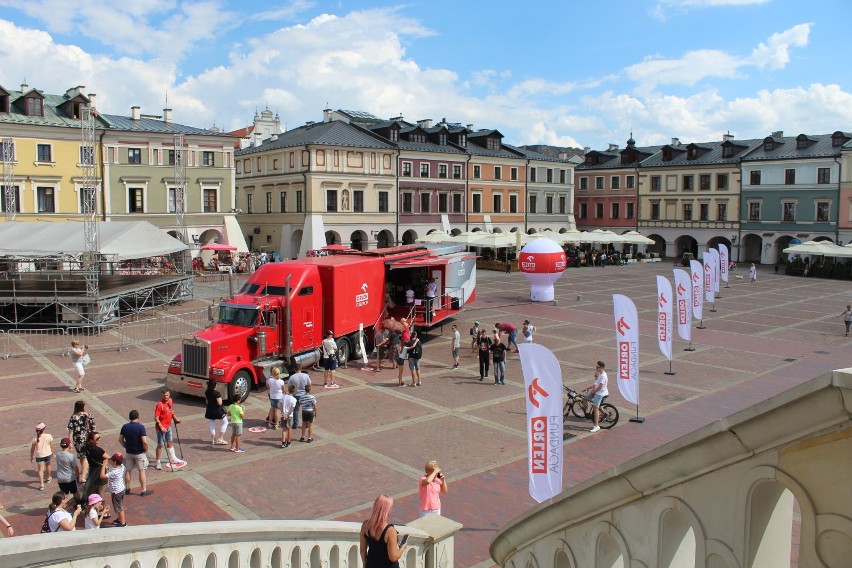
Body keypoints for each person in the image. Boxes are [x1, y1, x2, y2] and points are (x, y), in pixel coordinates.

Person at [359, 494, 407, 568]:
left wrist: (365, 564)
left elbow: (362, 550)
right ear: (386, 510)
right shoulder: (390, 531)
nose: (391, 510)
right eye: (390, 507)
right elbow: (393, 557)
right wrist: (402, 548)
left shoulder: (365, 526)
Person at [118, 410, 152, 496]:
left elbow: (120, 439)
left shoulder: (125, 427)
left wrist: (125, 446)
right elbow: (144, 441)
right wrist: (146, 448)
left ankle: (127, 488)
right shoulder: (141, 427)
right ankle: (143, 490)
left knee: (128, 470)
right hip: (139, 452)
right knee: (141, 470)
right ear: (138, 417)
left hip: (129, 452)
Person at [154, 388, 186, 470]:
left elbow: (171, 411)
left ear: (169, 395)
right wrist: (161, 427)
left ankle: (173, 458)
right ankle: (158, 462)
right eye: (164, 395)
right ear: (162, 395)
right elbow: (156, 418)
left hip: (168, 427)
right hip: (161, 429)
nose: (166, 397)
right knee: (160, 445)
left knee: (170, 442)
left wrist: (175, 419)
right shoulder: (159, 405)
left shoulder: (170, 401)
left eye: (167, 395)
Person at [67, 400, 96, 484]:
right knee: (84, 457)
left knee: (82, 456)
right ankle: (83, 475)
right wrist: (94, 438)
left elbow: (70, 431)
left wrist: (70, 442)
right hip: (87, 439)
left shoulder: (73, 417)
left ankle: (83, 473)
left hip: (77, 440)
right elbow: (94, 427)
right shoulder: (89, 415)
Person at [583, 361, 609, 433]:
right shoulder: (600, 374)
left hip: (600, 394)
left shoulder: (603, 376)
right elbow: (596, 384)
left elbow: (600, 387)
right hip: (597, 392)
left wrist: (593, 391)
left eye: (597, 367)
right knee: (584, 397)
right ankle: (585, 411)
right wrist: (588, 388)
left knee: (595, 409)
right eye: (596, 367)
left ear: (601, 368)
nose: (596, 368)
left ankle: (596, 426)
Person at [102, 453, 127, 527]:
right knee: (120, 505)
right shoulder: (122, 467)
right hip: (121, 489)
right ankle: (119, 519)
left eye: (112, 461)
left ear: (115, 462)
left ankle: (123, 523)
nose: (111, 462)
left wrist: (104, 465)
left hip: (116, 492)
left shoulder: (114, 472)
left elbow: (102, 476)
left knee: (119, 508)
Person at [55, 438, 81, 505]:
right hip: (69, 478)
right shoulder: (70, 456)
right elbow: (76, 468)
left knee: (64, 494)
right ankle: (79, 504)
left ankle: (63, 506)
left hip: (60, 478)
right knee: (75, 492)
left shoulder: (58, 454)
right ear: (69, 445)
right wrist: (78, 477)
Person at [83, 431, 107, 501]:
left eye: (99, 437)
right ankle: (101, 508)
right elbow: (108, 457)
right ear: (91, 440)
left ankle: (91, 504)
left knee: (92, 489)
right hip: (101, 470)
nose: (99, 439)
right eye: (97, 438)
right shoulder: (98, 450)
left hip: (92, 471)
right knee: (101, 491)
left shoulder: (87, 448)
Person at [30, 422, 54, 491]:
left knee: (40, 470)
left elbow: (32, 449)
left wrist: (31, 457)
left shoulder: (35, 439)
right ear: (44, 429)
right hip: (48, 454)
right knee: (48, 466)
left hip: (39, 456)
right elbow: (52, 446)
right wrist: (53, 453)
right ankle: (48, 478)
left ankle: (41, 484)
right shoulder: (49, 436)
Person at [204, 380, 228, 445]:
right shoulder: (216, 393)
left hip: (209, 410)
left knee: (212, 424)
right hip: (217, 410)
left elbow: (207, 402)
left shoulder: (207, 392)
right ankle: (221, 438)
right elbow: (220, 403)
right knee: (225, 422)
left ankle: (213, 440)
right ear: (214, 385)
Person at [288, 363, 311, 431]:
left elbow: (289, 387)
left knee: (296, 410)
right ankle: (306, 424)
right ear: (301, 368)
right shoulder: (306, 376)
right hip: (304, 395)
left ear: (295, 369)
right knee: (305, 409)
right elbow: (309, 384)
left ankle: (295, 424)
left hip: (296, 395)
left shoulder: (292, 377)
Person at [280, 384, 297, 448]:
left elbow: (280, 405)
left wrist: (283, 413)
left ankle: (283, 443)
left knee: (284, 430)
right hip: (289, 416)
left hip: (283, 415)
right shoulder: (294, 399)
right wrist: (287, 415)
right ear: (294, 391)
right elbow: (292, 409)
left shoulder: (283, 396)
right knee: (289, 429)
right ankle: (288, 442)